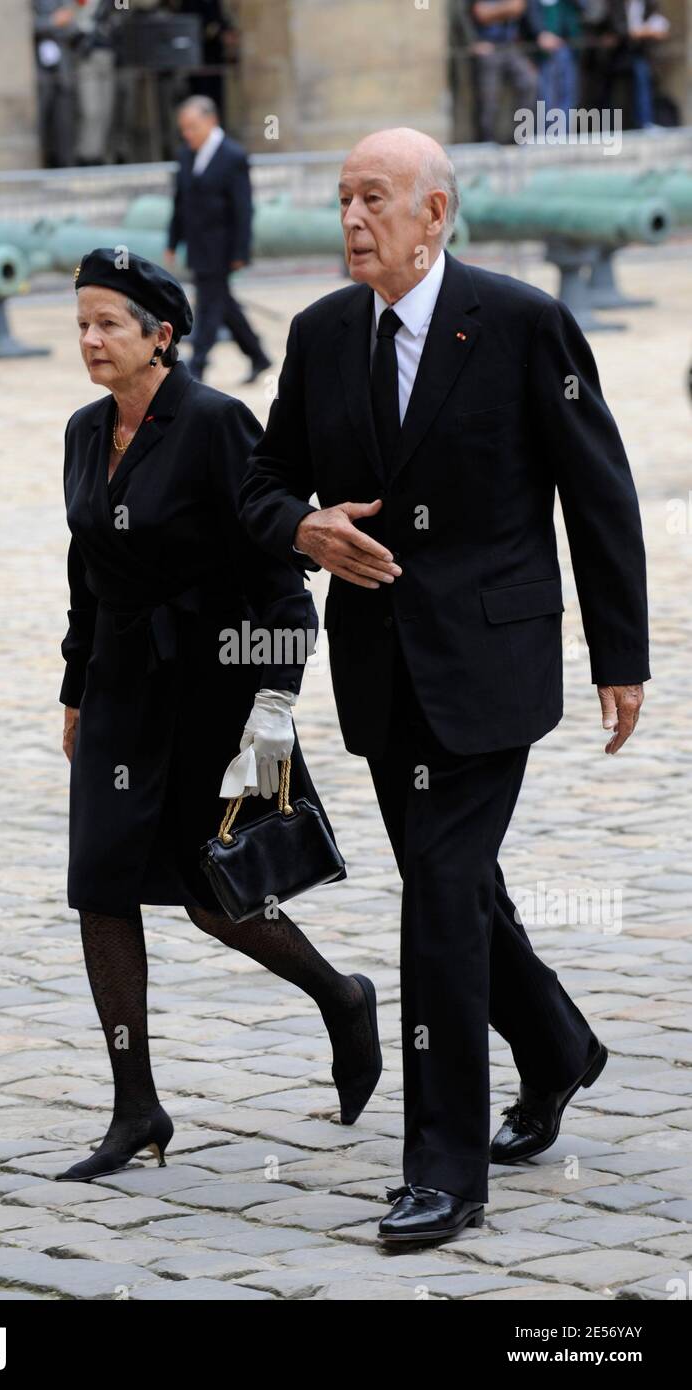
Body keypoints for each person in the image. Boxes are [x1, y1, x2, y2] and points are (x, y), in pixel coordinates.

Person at [238, 128, 649, 1245]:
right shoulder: (323, 334)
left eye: (375, 199)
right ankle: (559, 1045)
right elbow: (266, 482)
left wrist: (622, 653)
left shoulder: (521, 322)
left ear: (438, 213)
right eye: (340, 201)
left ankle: (444, 1170)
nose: (353, 221)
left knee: (437, 899)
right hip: (382, 670)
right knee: (455, 885)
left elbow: (596, 490)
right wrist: (305, 528)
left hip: (492, 661)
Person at [54, 248, 381, 1183]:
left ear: (161, 336)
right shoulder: (83, 432)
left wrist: (275, 702)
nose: (89, 339)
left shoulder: (214, 424)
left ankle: (341, 995)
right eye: (80, 323)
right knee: (100, 889)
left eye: (108, 323)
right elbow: (88, 574)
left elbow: (282, 578)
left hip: (214, 692)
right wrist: (75, 686)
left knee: (215, 898)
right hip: (121, 687)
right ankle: (136, 1108)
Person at [165, 95, 272, 384]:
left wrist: (241, 251)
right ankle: (258, 355)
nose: (187, 134)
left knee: (209, 305)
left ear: (211, 121)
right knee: (222, 303)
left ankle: (197, 364)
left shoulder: (233, 156)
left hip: (223, 247)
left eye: (192, 127)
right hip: (198, 246)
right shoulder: (185, 155)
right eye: (183, 129)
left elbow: (243, 208)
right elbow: (180, 201)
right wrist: (173, 241)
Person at [467, 0, 539, 142]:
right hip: (487, 46)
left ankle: (521, 137)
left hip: (511, 46)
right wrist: (506, 9)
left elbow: (519, 8)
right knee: (489, 98)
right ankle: (486, 140)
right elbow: (481, 14)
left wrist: (495, 11)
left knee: (530, 82)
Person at [33, 0, 84, 169]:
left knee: (65, 119)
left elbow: (74, 26)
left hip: (63, 70)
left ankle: (67, 164)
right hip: (39, 72)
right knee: (40, 119)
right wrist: (53, 23)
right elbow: (23, 25)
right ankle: (43, 162)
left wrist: (57, 24)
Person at [527, 0, 583, 127]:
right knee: (546, 97)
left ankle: (564, 133)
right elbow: (530, 17)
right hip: (542, 53)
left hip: (568, 48)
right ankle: (549, 132)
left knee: (568, 96)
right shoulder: (534, 5)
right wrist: (540, 33)